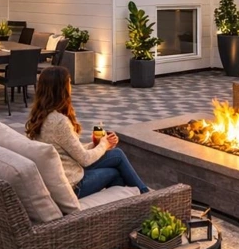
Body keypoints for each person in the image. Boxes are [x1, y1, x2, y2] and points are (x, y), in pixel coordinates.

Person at [24, 66, 149, 198]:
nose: (70, 87)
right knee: (115, 170)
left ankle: (140, 198)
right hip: (73, 184)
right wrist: (104, 145)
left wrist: (95, 145)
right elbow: (84, 159)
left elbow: (69, 150)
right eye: (69, 83)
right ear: (62, 89)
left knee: (116, 155)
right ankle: (146, 198)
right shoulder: (59, 122)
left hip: (64, 172)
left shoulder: (40, 116)